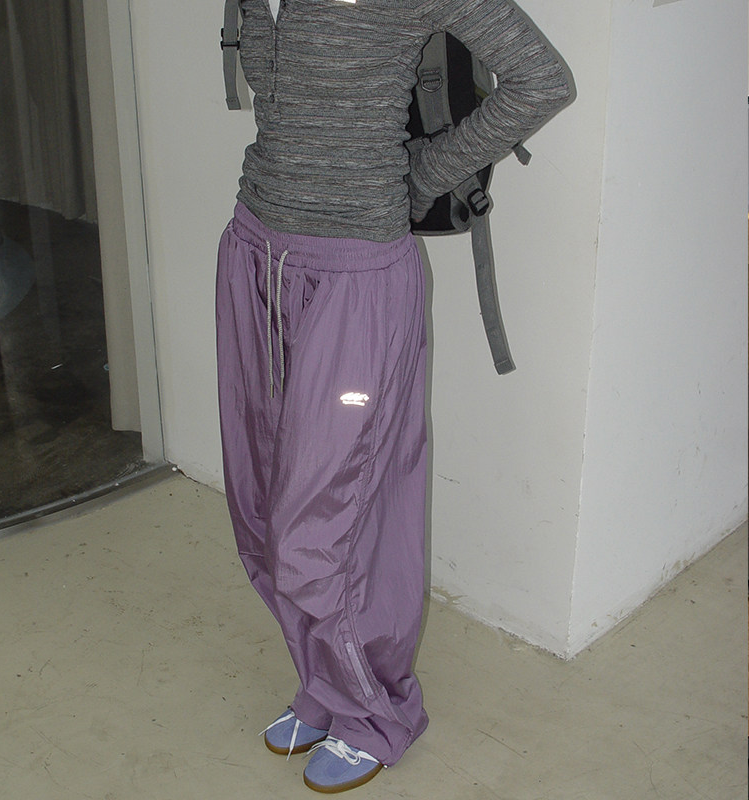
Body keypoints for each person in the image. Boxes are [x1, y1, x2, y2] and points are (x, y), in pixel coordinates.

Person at [215, 0, 572, 792]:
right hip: (254, 251)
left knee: (327, 520)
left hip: (355, 279)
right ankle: (326, 683)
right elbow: (277, 95)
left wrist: (419, 175)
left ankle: (379, 713)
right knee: (263, 505)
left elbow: (542, 81)